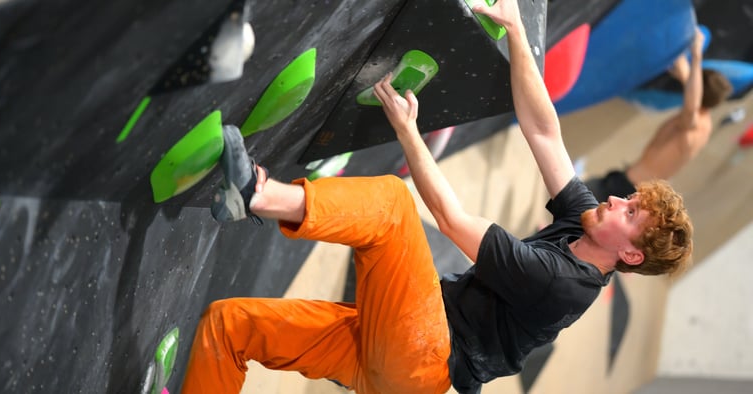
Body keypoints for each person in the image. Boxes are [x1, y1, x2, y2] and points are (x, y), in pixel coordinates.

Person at [180, 1, 694, 393]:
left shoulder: (563, 285)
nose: (617, 200)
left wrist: (409, 130)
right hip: (391, 350)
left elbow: (450, 219)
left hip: (425, 355)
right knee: (229, 327)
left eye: (631, 213)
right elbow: (543, 132)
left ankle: (254, 195)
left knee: (394, 208)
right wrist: (517, 33)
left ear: (629, 254)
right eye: (629, 198)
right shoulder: (584, 223)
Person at [585, 28, 733, 201]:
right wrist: (685, 75)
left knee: (568, 206)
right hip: (630, 185)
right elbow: (693, 101)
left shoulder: (696, 123)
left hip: (625, 187)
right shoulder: (704, 125)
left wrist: (695, 56)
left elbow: (692, 106)